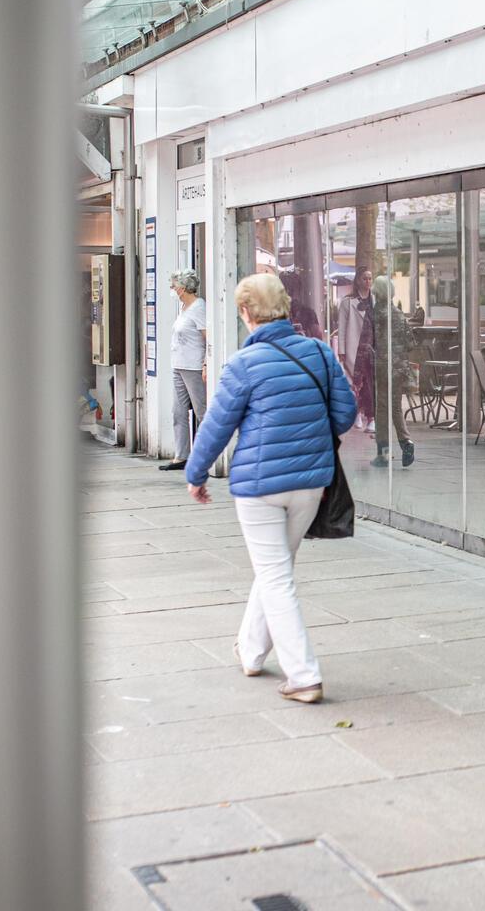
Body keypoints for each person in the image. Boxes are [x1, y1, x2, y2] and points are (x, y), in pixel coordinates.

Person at [184, 273, 356, 705]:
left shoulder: (243, 365)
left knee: (276, 575)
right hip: (312, 483)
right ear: (284, 308)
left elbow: (216, 425)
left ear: (246, 312)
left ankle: (303, 676)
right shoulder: (318, 352)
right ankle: (252, 650)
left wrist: (196, 473)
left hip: (260, 486)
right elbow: (345, 413)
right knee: (276, 568)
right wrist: (311, 438)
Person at [159, 269, 209, 471]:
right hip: (178, 365)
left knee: (201, 410)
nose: (172, 289)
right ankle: (181, 456)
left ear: (182, 288)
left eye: (173, 286)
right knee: (178, 411)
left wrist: (206, 363)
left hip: (193, 366)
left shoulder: (199, 307)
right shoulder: (183, 308)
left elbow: (208, 337)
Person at [367, 276, 415, 467]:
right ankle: (406, 442)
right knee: (395, 407)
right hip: (399, 367)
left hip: (381, 366)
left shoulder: (376, 313)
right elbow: (410, 343)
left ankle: (383, 453)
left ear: (376, 291)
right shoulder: (398, 313)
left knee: (381, 410)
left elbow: (368, 340)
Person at [334, 270, 373, 429]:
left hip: (371, 347)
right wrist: (341, 350)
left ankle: (370, 416)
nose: (368, 281)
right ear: (358, 280)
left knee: (370, 382)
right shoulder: (347, 302)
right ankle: (357, 413)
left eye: (370, 278)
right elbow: (341, 327)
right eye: (364, 278)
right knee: (355, 382)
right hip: (354, 346)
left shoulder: (375, 300)